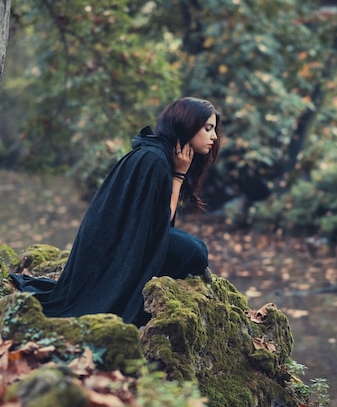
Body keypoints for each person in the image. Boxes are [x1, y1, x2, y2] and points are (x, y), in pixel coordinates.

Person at [11, 97, 221, 326]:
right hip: (114, 248)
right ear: (187, 125)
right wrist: (178, 177)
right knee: (193, 251)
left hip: (126, 241)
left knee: (196, 249)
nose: (214, 137)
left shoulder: (159, 155)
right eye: (208, 128)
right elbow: (160, 227)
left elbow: (157, 227)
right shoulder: (154, 159)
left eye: (214, 129)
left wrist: (178, 174)